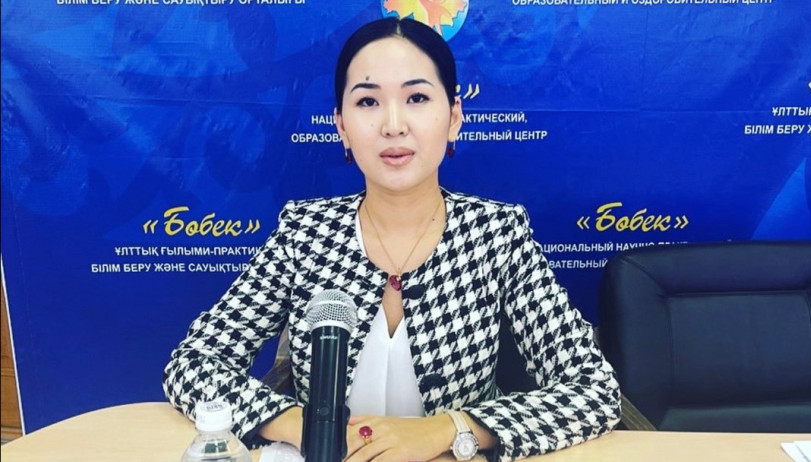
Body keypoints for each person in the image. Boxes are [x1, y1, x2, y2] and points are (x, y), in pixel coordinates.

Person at [163, 17, 621, 462]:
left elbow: (594, 390)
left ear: (454, 117)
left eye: (417, 97)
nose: (393, 124)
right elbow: (194, 362)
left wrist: (449, 429)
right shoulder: (304, 233)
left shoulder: (497, 235)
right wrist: (299, 424)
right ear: (342, 126)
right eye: (368, 102)